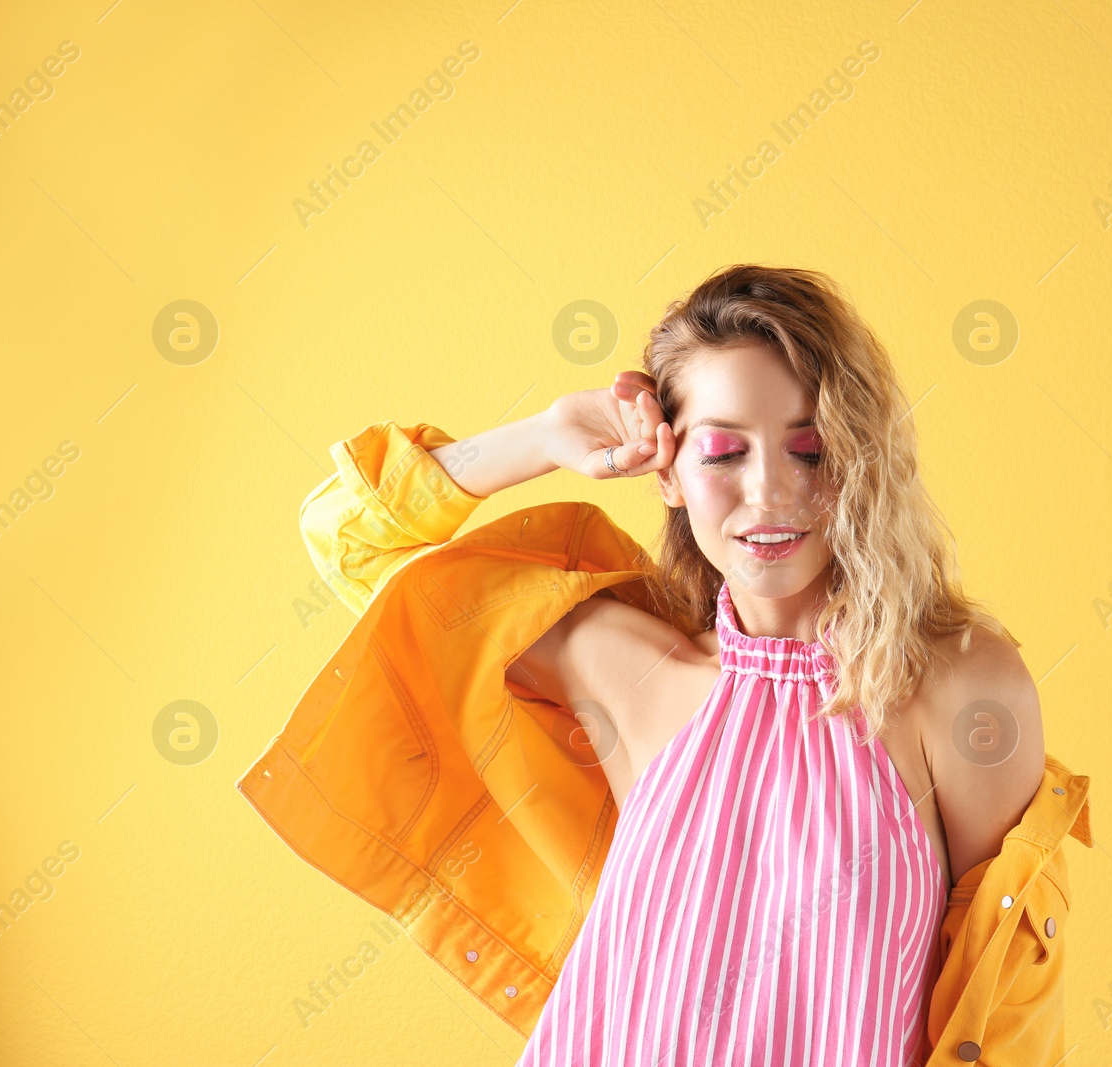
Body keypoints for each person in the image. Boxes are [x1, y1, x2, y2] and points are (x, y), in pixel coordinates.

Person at [299, 264, 1053, 1064]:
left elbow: (1004, 1024)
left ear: (862, 459)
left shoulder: (961, 690)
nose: (770, 491)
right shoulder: (623, 668)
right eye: (724, 451)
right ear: (667, 470)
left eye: (811, 448)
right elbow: (350, 543)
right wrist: (548, 434)